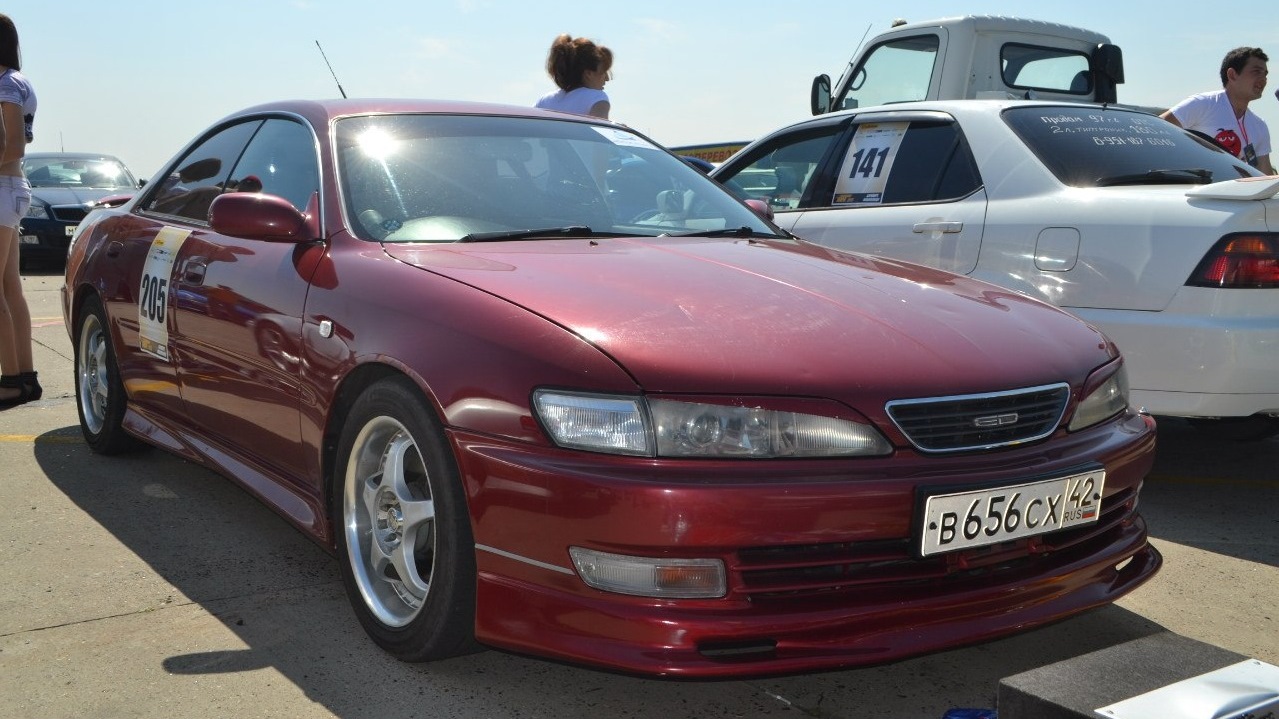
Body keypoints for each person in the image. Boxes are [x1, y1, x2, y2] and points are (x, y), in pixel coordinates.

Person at [0, 13, 39, 407]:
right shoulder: (14, 81)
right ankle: (25, 377)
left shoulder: (5, 85)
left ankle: (10, 380)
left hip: (3, 187)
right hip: (10, 188)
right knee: (10, 285)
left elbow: (14, 147)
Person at [1161, 47, 1274, 174]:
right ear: (1232, 75)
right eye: (1256, 72)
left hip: (1232, 191)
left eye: (1265, 74)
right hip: (1193, 188)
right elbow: (1156, 131)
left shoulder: (1259, 125)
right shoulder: (1202, 104)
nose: (1263, 79)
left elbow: (1265, 175)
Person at [534, 34, 612, 119]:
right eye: (603, 72)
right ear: (588, 73)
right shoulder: (597, 97)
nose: (607, 78)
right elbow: (598, 130)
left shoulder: (543, 101)